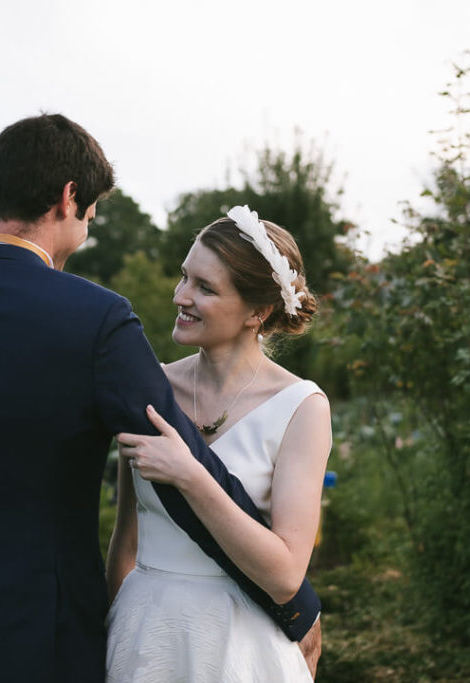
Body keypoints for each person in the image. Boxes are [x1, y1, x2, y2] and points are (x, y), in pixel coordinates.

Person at [0, 116, 321, 683]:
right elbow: (177, 466)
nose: (86, 233)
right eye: (91, 218)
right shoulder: (95, 318)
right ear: (68, 198)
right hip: (36, 636)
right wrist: (295, 604)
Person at [106, 206, 333, 682]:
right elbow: (126, 541)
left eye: (205, 288)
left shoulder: (301, 408)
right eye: (185, 277)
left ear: (258, 311)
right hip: (144, 637)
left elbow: (287, 573)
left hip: (240, 644)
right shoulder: (152, 389)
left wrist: (191, 475)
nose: (181, 296)